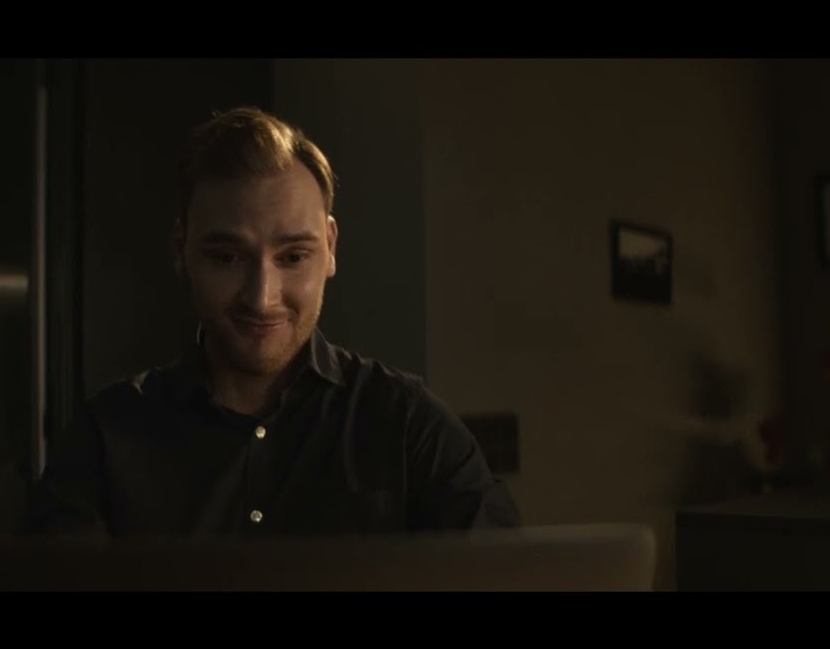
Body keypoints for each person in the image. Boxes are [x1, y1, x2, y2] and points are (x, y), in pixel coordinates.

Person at [26, 106, 518, 538]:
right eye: (227, 258)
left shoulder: (409, 427)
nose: (262, 298)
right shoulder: (106, 438)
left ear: (330, 248)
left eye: (293, 257)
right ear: (181, 249)